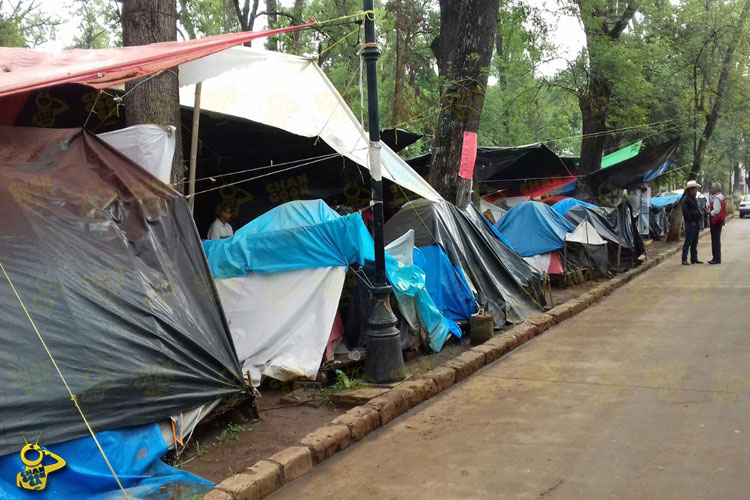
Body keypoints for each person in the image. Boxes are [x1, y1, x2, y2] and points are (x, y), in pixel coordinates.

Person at [681, 180, 703, 265]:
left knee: (695, 241)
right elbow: (686, 212)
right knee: (688, 241)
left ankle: (694, 258)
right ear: (691, 190)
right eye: (695, 189)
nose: (696, 191)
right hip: (690, 223)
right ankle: (684, 259)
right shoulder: (686, 199)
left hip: (696, 222)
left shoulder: (694, 199)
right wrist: (691, 221)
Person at [708, 182, 726, 264]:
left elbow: (716, 211)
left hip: (716, 220)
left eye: (712, 188)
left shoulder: (717, 198)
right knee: (716, 240)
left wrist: (709, 212)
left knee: (715, 240)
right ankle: (716, 257)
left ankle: (716, 258)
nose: (711, 190)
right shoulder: (721, 197)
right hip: (719, 220)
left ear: (716, 189)